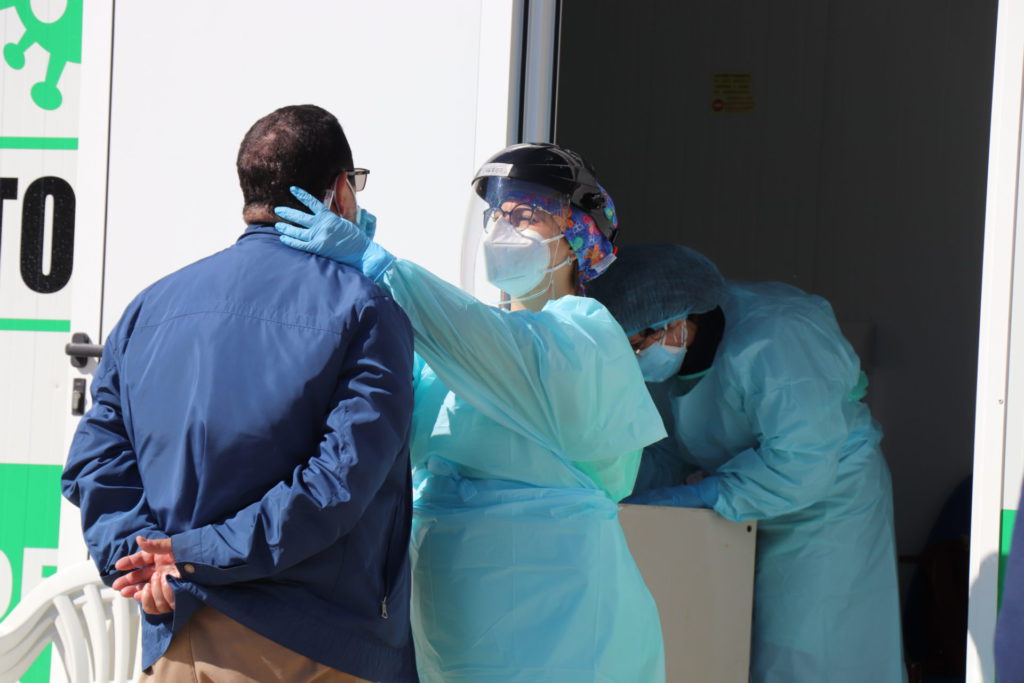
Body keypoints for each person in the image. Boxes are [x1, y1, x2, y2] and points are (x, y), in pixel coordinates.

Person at [274, 142, 668, 682]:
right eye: (496, 215)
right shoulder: (457, 353)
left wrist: (383, 271)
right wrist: (356, 284)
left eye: (524, 215)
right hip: (454, 621)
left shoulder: (585, 334)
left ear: (577, 235)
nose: (503, 229)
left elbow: (500, 348)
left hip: (563, 615)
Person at [61, 105, 418, 682]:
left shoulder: (149, 307)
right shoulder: (366, 310)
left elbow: (96, 459)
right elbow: (336, 484)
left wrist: (144, 560)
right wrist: (187, 557)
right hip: (312, 647)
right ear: (339, 192)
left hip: (178, 639)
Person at [584, 243, 907, 683]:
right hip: (738, 505)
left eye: (637, 345)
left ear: (677, 322)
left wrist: (708, 493)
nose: (634, 359)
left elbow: (804, 461)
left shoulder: (776, 336)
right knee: (735, 647)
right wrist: (607, 485)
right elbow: (659, 447)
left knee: (811, 656)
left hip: (827, 506)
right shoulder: (669, 355)